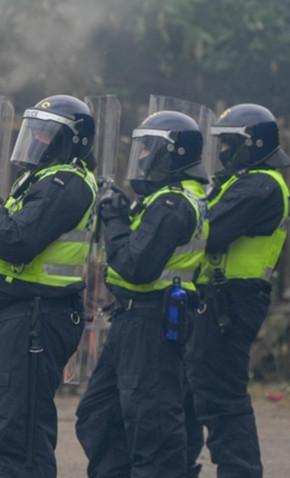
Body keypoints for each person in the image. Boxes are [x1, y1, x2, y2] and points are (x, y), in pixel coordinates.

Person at [0, 95, 97, 477]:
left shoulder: (66, 183)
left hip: (37, 320)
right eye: (32, 132)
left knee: (21, 438)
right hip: (16, 319)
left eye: (45, 134)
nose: (35, 141)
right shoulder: (37, 181)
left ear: (72, 140)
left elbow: (19, 239)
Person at [75, 110, 209, 477]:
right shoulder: (160, 199)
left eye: (150, 149)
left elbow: (136, 265)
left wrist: (115, 219)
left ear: (174, 153)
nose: (143, 157)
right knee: (99, 415)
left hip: (153, 321)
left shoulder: (174, 203)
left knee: (152, 425)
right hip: (132, 319)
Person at [185, 103, 290, 478]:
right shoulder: (237, 182)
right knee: (192, 391)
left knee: (221, 397)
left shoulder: (261, 185)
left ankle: (240, 472)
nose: (223, 149)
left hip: (233, 301)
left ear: (254, 143)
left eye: (230, 142)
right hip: (214, 300)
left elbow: (210, 230)